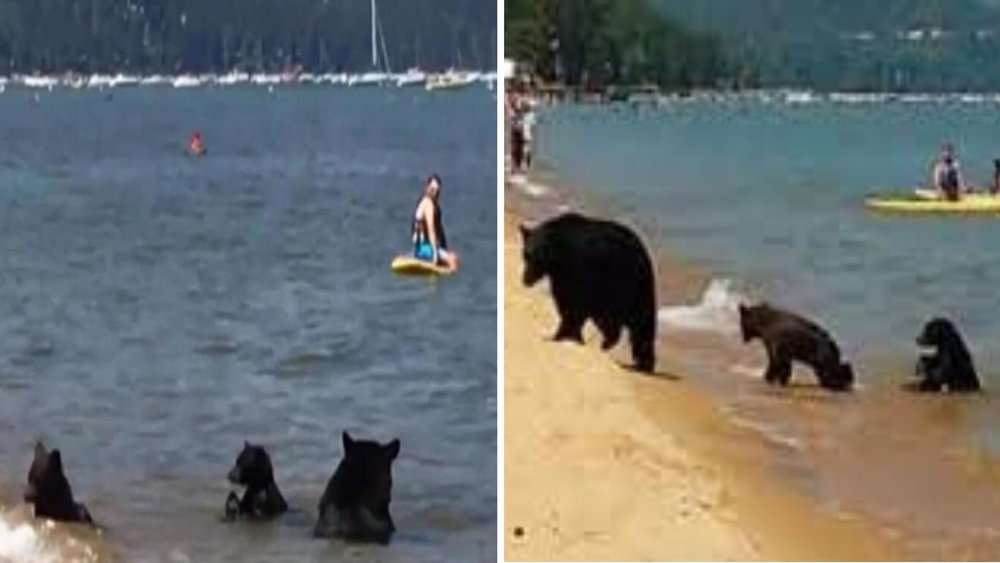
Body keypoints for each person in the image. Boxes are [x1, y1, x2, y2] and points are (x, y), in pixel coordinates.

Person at [412, 174, 459, 271]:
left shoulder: (433, 204)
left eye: (437, 191)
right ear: (427, 187)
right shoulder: (428, 203)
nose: (434, 193)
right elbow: (430, 229)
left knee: (453, 256)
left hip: (424, 247)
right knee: (453, 260)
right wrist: (435, 254)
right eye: (432, 189)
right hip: (423, 248)